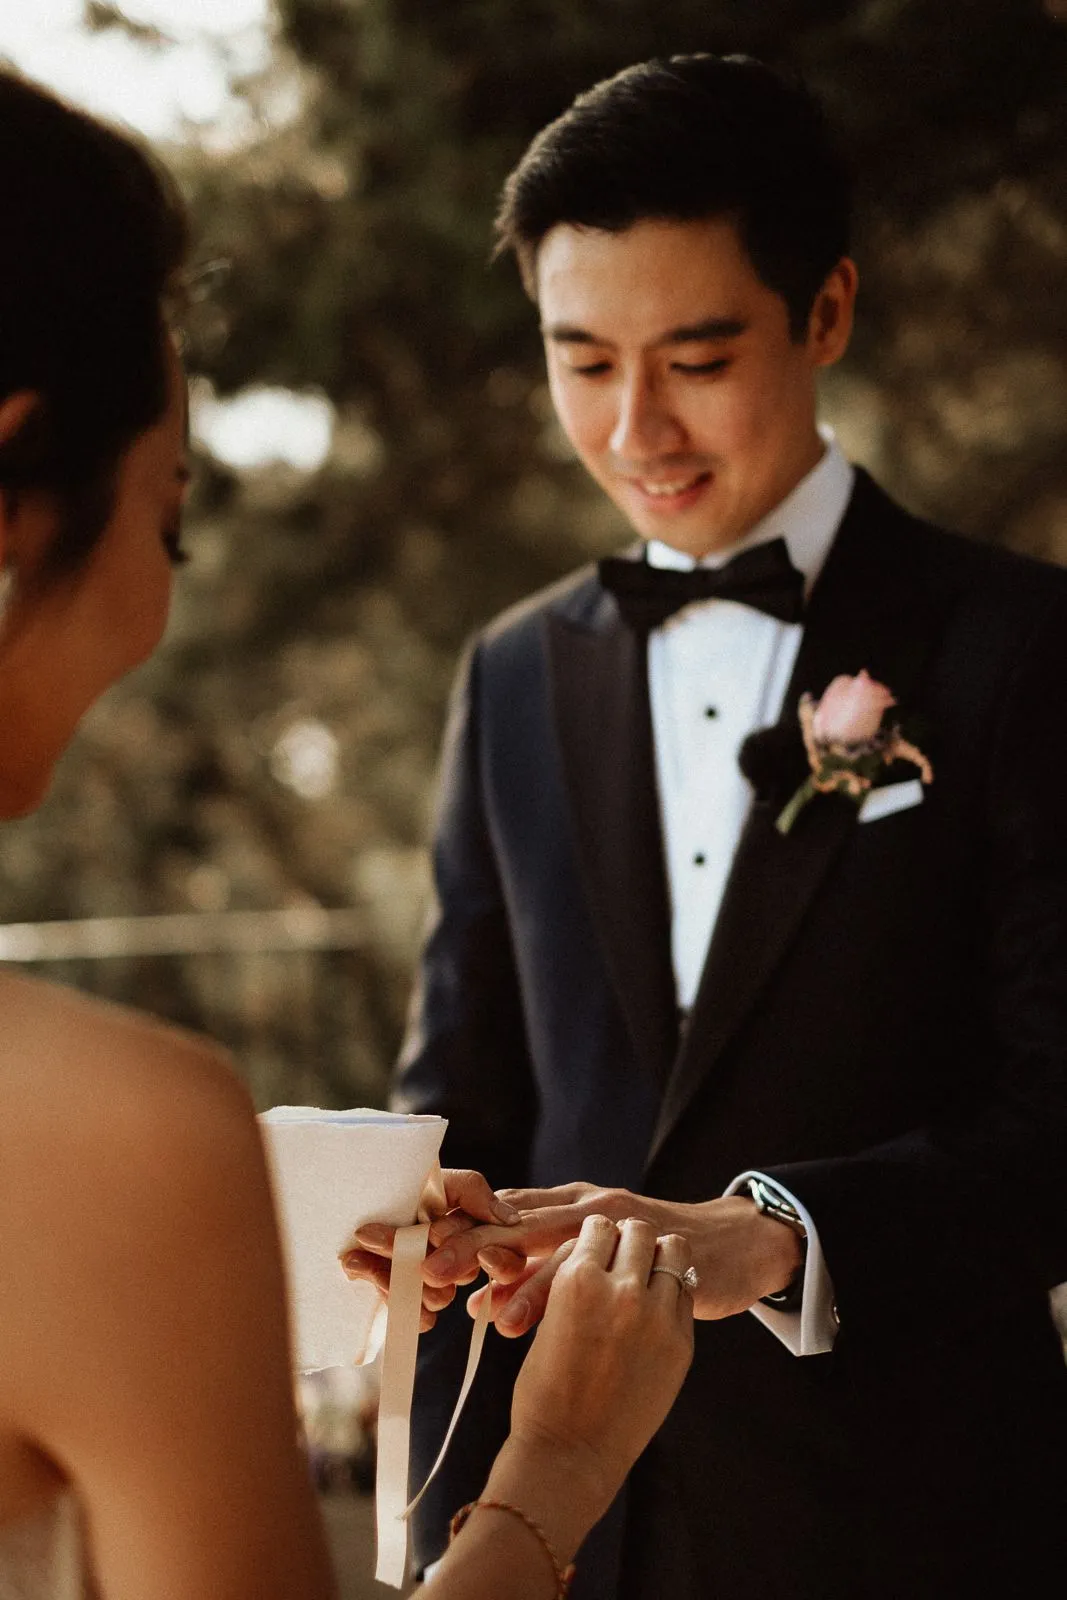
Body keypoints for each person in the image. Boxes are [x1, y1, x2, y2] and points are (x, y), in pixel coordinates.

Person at [351, 51, 1067, 1600]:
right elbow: (464, 1092)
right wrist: (410, 1229)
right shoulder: (514, 673)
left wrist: (774, 1234)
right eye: (580, 360)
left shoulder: (1019, 650)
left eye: (693, 355)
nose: (634, 430)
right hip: (563, 1537)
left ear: (824, 313)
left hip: (913, 1524)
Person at [0, 70, 693, 1600]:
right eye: (170, 513)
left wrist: (279, 1212)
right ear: (16, 501)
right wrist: (553, 1473)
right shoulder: (105, 1134)